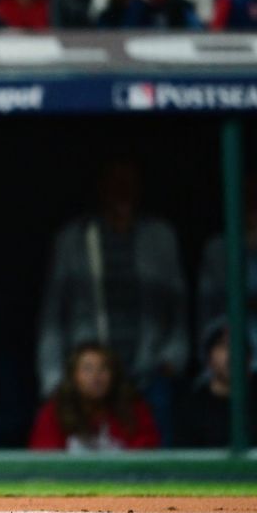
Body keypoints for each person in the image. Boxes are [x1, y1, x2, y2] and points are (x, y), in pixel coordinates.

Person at [37, 157, 188, 439]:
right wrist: (53, 376)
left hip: (148, 370)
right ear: (101, 189)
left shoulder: (160, 236)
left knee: (155, 466)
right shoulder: (74, 237)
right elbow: (53, 312)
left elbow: (177, 305)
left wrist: (172, 359)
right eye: (115, 184)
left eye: (128, 184)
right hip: (86, 374)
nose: (122, 191)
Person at [29, 342, 160, 451]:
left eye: (104, 368)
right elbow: (46, 460)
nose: (96, 377)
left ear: (114, 375)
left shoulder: (134, 409)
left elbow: (146, 455)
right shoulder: (53, 412)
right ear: (73, 376)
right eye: (87, 369)